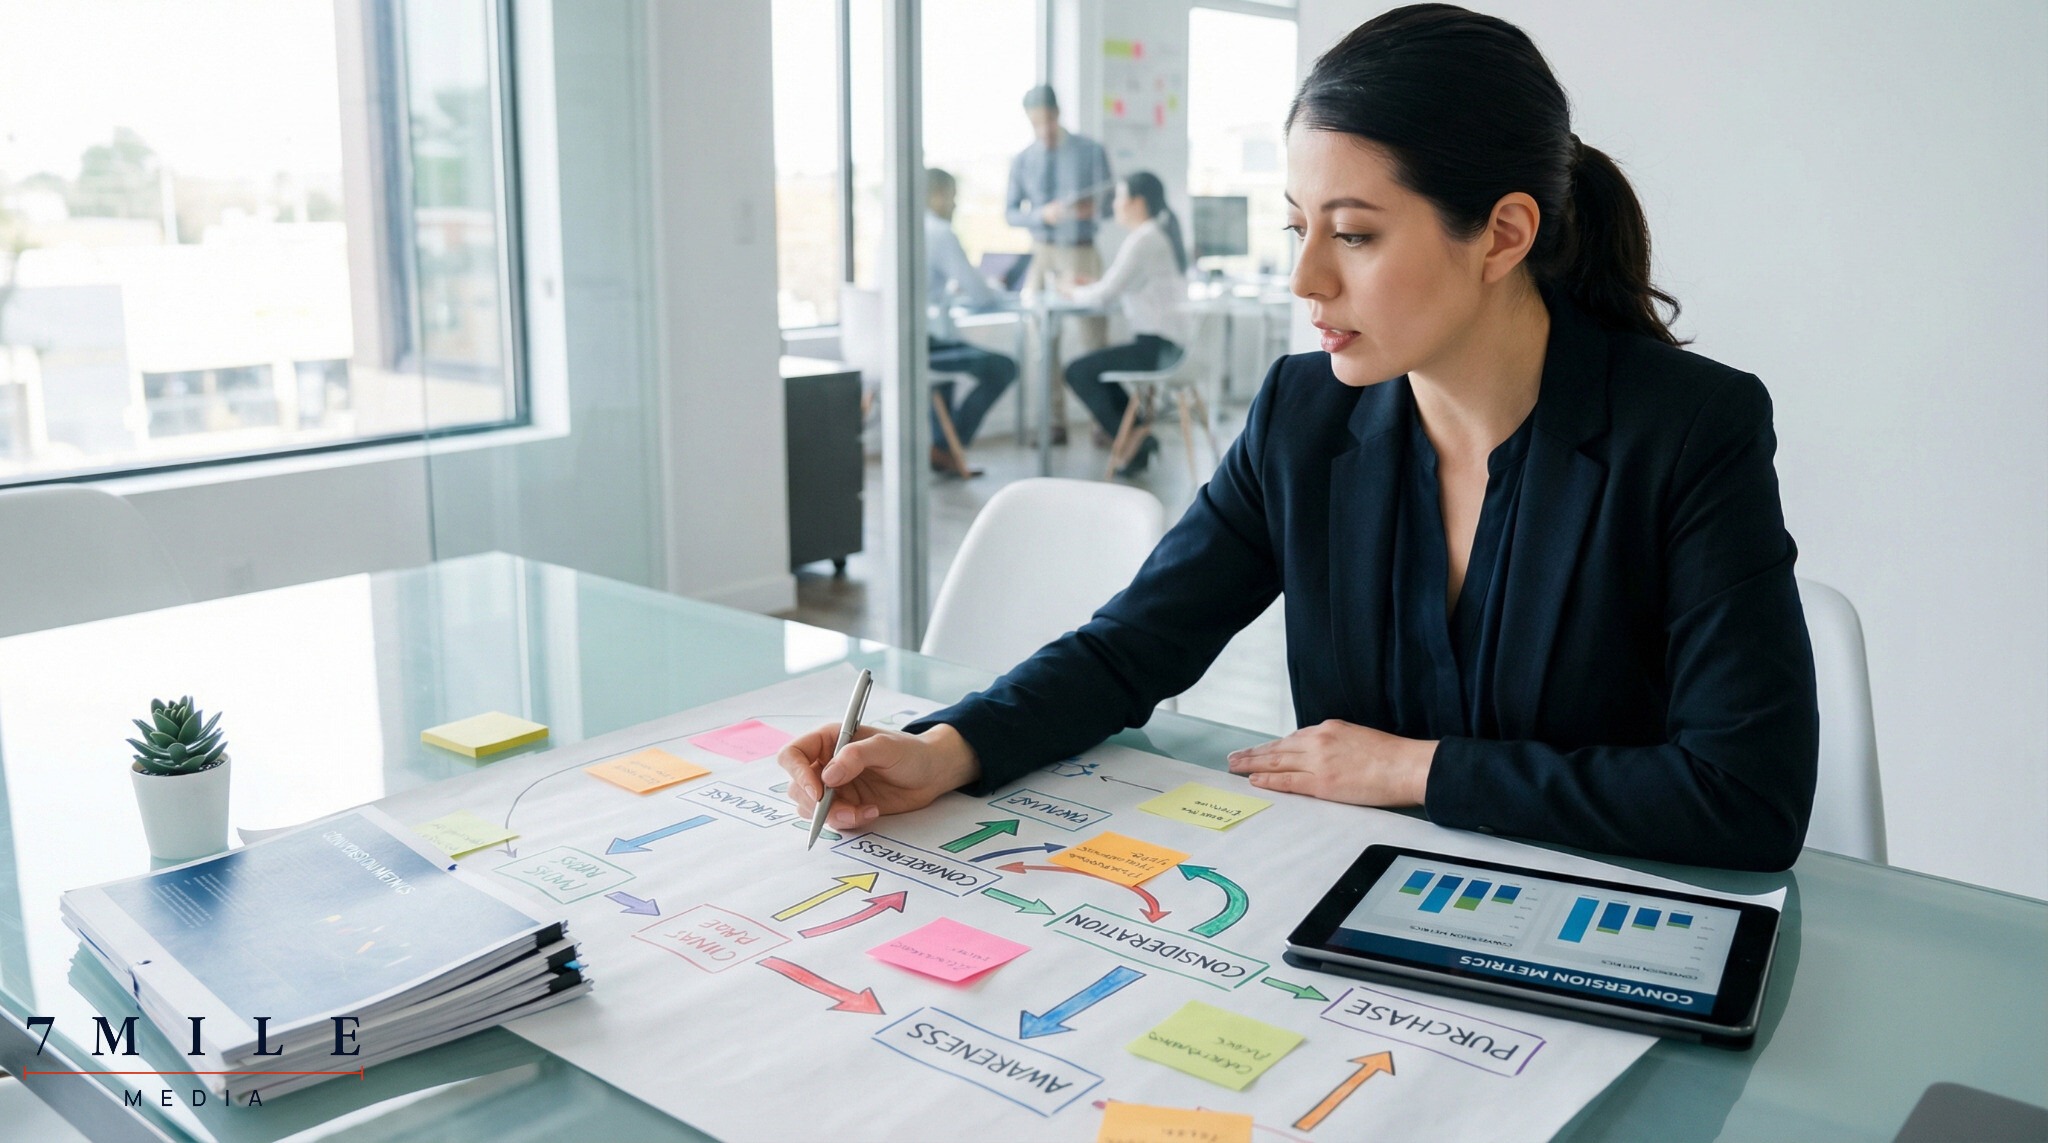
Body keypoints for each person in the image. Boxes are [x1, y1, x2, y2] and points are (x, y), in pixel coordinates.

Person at [781, 4, 1819, 872]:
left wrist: (1411, 769)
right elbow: (1135, 643)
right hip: (1351, 909)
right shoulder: (1303, 416)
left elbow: (1743, 798)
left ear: (1503, 233)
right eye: (1297, 227)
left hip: (1601, 936)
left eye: (1355, 234)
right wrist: (947, 746)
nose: (1304, 281)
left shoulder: (1689, 432)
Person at [1061, 171, 1193, 477]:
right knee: (1091, 369)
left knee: (1078, 370)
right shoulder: (1156, 235)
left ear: (1137, 202)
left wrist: (1070, 290)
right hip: (1168, 345)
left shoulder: (1144, 239)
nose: (1115, 205)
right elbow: (1121, 287)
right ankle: (1137, 438)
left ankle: (1136, 437)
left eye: (1120, 197)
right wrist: (1093, 285)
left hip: (1157, 348)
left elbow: (1103, 296)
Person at [1007, 84, 1113, 437]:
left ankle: (1104, 420)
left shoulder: (1090, 150)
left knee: (1093, 339)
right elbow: (1010, 213)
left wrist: (1093, 208)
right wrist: (1041, 215)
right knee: (1042, 342)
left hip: (1082, 249)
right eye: (1036, 123)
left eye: (1049, 120)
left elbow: (1114, 202)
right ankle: (1054, 422)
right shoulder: (1022, 161)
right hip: (1043, 253)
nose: (1045, 129)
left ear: (1058, 113)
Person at [923, 168, 1018, 477]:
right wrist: (997, 290)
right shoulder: (939, 232)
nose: (954, 205)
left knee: (951, 354)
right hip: (924, 347)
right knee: (1003, 367)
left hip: (881, 346)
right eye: (952, 197)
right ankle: (949, 447)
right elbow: (981, 295)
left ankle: (945, 448)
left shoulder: (896, 230)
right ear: (937, 195)